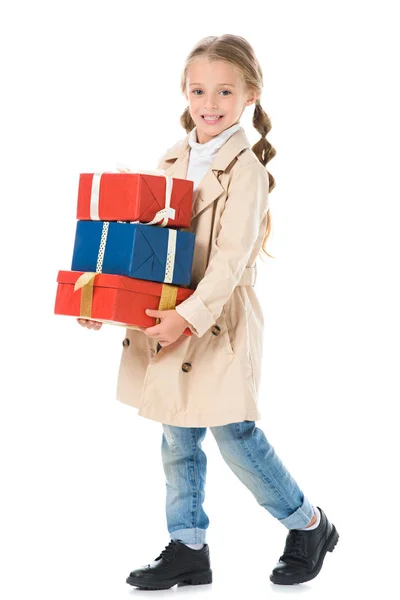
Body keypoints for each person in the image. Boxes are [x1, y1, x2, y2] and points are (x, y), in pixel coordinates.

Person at [78, 34, 339, 589]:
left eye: (225, 91)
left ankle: (309, 523)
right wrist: (101, 299)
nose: (210, 102)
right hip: (167, 313)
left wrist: (186, 318)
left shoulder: (246, 170)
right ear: (185, 92)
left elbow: (227, 264)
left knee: (234, 433)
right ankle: (187, 545)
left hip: (216, 320)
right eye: (199, 90)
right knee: (176, 434)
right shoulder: (170, 159)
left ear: (250, 96)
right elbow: (144, 247)